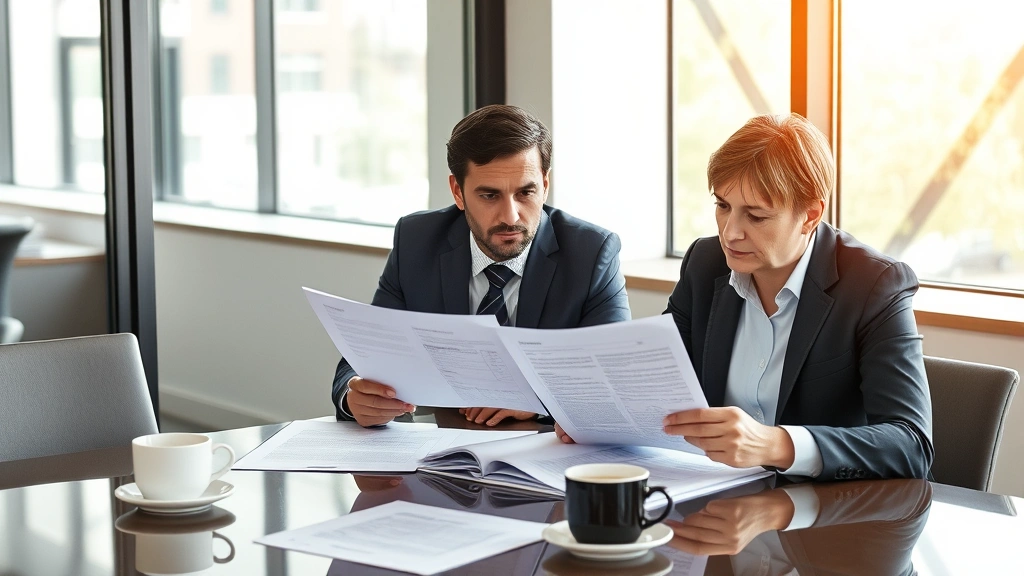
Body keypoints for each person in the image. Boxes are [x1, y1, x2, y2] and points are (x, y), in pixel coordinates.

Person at [556, 113, 933, 481]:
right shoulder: (706, 264)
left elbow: (911, 444)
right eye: (722, 206)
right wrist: (596, 416)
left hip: (820, 517)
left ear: (810, 215)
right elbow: (658, 378)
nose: (730, 233)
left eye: (755, 216)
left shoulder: (875, 285)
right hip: (713, 496)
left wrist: (776, 444)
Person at [333, 104, 631, 427]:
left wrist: (537, 401)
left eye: (525, 192)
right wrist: (353, 398)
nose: (511, 216)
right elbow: (364, 357)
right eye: (490, 196)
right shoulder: (416, 242)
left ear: (545, 185)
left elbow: (616, 383)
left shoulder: (592, 254)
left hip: (549, 456)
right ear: (458, 193)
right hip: (441, 453)